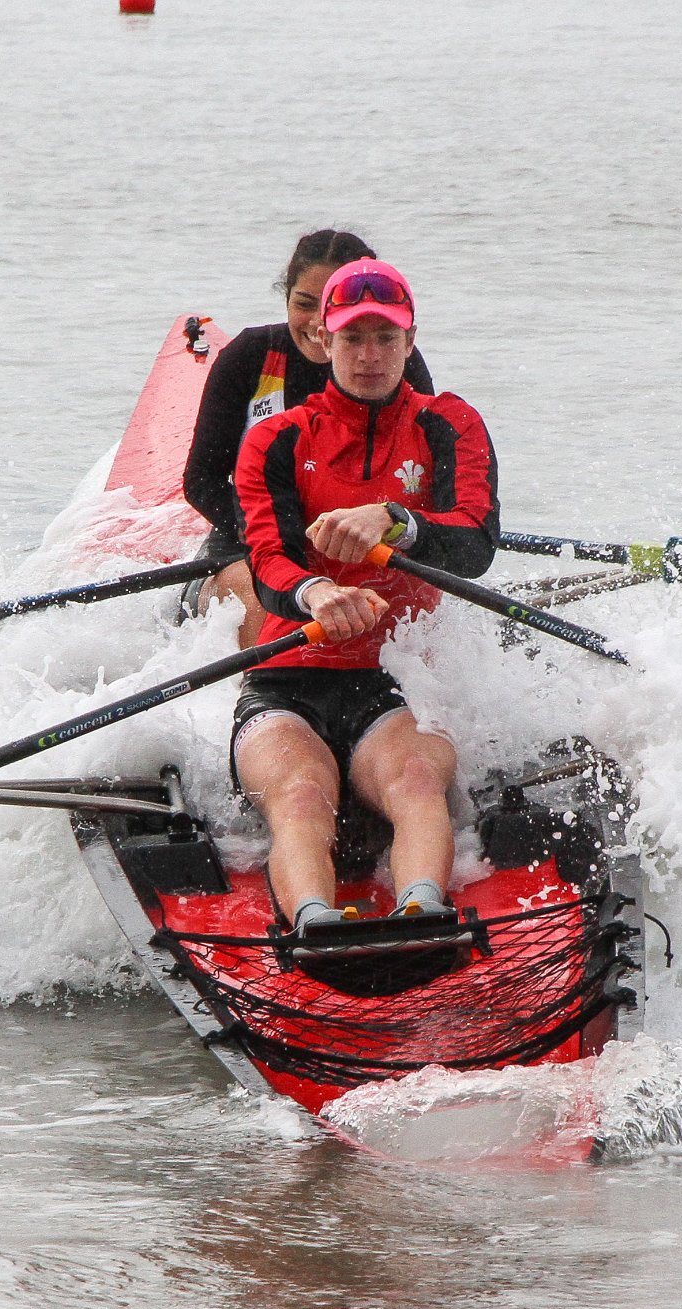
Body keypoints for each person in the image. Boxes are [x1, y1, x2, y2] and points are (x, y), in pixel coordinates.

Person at [231, 258, 498, 935]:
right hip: (288, 678)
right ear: (323, 341)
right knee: (301, 794)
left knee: (414, 780)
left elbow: (475, 543)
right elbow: (269, 563)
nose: (370, 356)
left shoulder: (450, 424)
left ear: (411, 342)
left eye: (387, 338)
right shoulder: (278, 439)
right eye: (353, 339)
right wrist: (317, 591)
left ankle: (424, 914)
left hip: (395, 678)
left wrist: (398, 520)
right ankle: (316, 926)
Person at [182, 229, 435, 647]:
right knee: (262, 593)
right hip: (249, 551)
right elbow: (201, 482)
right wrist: (288, 535)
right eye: (303, 304)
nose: (318, 322)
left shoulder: (394, 362)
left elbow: (427, 480)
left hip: (365, 550)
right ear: (285, 300)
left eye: (334, 308)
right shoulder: (250, 356)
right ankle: (263, 698)